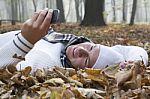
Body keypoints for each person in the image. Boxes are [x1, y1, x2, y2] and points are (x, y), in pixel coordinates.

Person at [0, 9, 148, 73]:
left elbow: (4, 70)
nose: (82, 50)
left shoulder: (48, 63)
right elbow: (127, 50)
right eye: (91, 47)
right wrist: (136, 62)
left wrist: (25, 41)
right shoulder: (71, 42)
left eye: (86, 61)